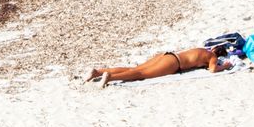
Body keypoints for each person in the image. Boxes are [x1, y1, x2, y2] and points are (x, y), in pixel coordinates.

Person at [86, 46, 229, 86]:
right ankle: (110, 77)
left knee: (135, 69)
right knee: (140, 75)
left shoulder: (202, 49)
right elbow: (213, 69)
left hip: (167, 55)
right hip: (173, 63)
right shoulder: (212, 57)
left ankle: (98, 72)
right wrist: (225, 66)